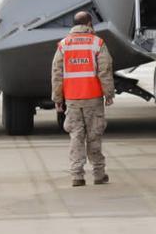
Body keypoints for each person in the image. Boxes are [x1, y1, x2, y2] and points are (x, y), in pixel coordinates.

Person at [51, 11, 115, 187]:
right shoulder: (97, 43)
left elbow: (57, 74)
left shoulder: (64, 45)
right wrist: (108, 94)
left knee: (76, 136)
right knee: (94, 135)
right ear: (89, 24)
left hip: (72, 99)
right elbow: (105, 71)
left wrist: (57, 98)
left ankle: (77, 176)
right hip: (93, 97)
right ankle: (99, 174)